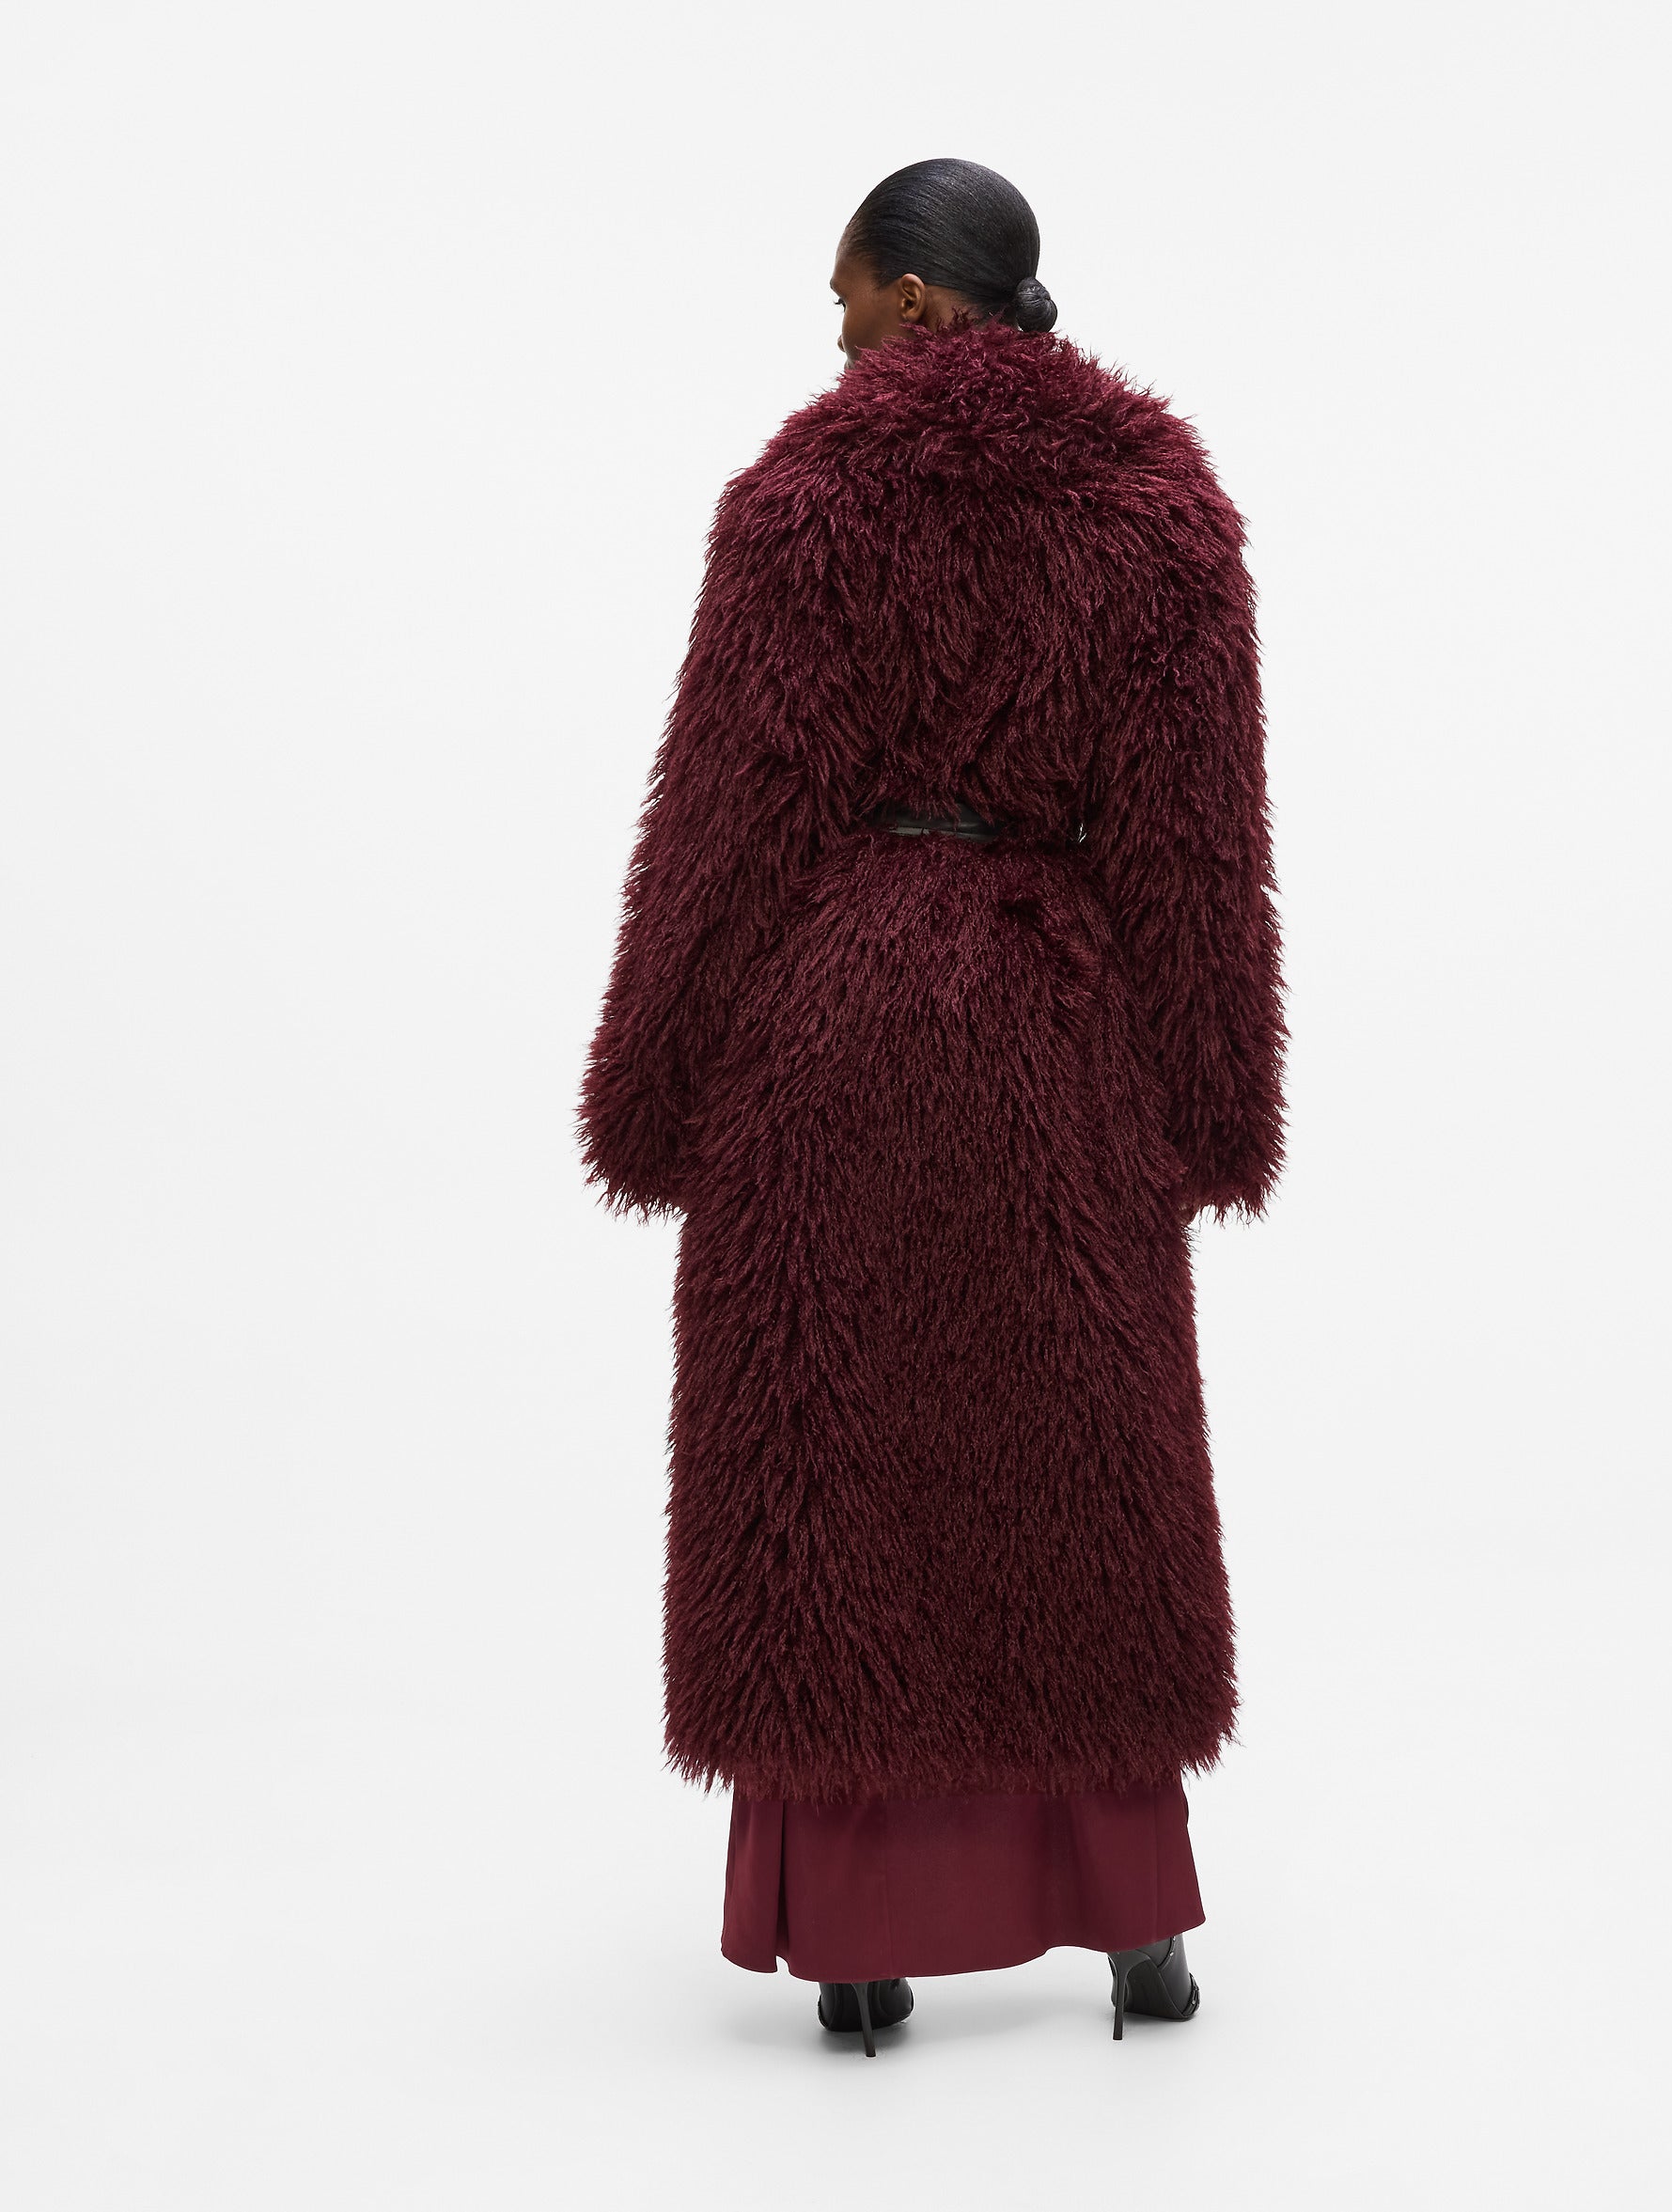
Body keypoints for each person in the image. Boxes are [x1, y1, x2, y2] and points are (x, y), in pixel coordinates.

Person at [579, 157, 1286, 2055]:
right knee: (1084, 1474)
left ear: (907, 297)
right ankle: (1134, 1926)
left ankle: (862, 1945)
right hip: (1064, 1035)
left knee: (842, 1477)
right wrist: (1213, 1097)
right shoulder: (1159, 508)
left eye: (841, 303)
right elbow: (1199, 841)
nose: (832, 341)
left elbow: (726, 819)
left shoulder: (804, 502)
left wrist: (653, 1085)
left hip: (833, 1031)